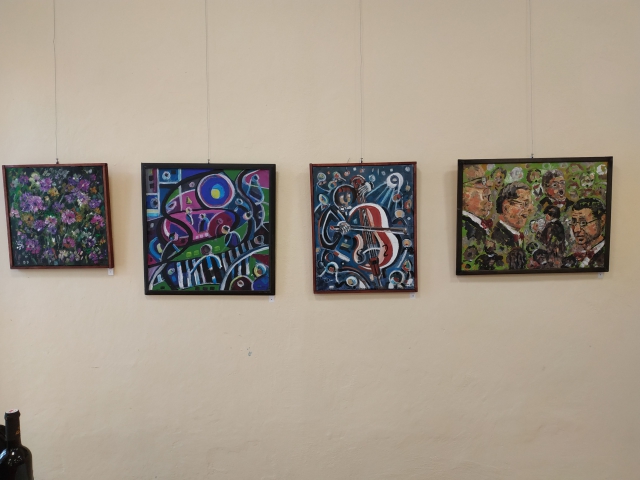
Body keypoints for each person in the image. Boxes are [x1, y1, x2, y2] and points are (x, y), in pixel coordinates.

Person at [491, 181, 534, 269]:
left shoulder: (521, 237)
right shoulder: (496, 238)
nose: (530, 209)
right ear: (506, 208)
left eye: (530, 204)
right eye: (525, 204)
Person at [563, 198, 607, 268]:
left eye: (583, 223)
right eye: (574, 222)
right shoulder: (569, 260)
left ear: (602, 221)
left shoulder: (607, 256)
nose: (576, 229)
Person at [461, 173, 493, 244]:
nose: (490, 203)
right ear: (466, 195)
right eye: (485, 196)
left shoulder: (476, 224)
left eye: (489, 197)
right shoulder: (466, 226)